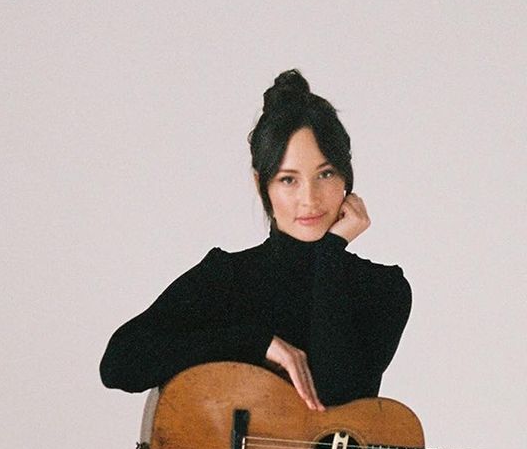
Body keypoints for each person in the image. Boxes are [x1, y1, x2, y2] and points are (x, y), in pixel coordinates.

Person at [100, 69, 411, 410]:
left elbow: (336, 400)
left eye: (325, 174)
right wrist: (255, 342)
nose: (310, 198)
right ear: (260, 185)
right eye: (288, 180)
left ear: (346, 179)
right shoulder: (228, 276)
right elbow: (119, 364)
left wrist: (330, 254)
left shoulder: (382, 289)